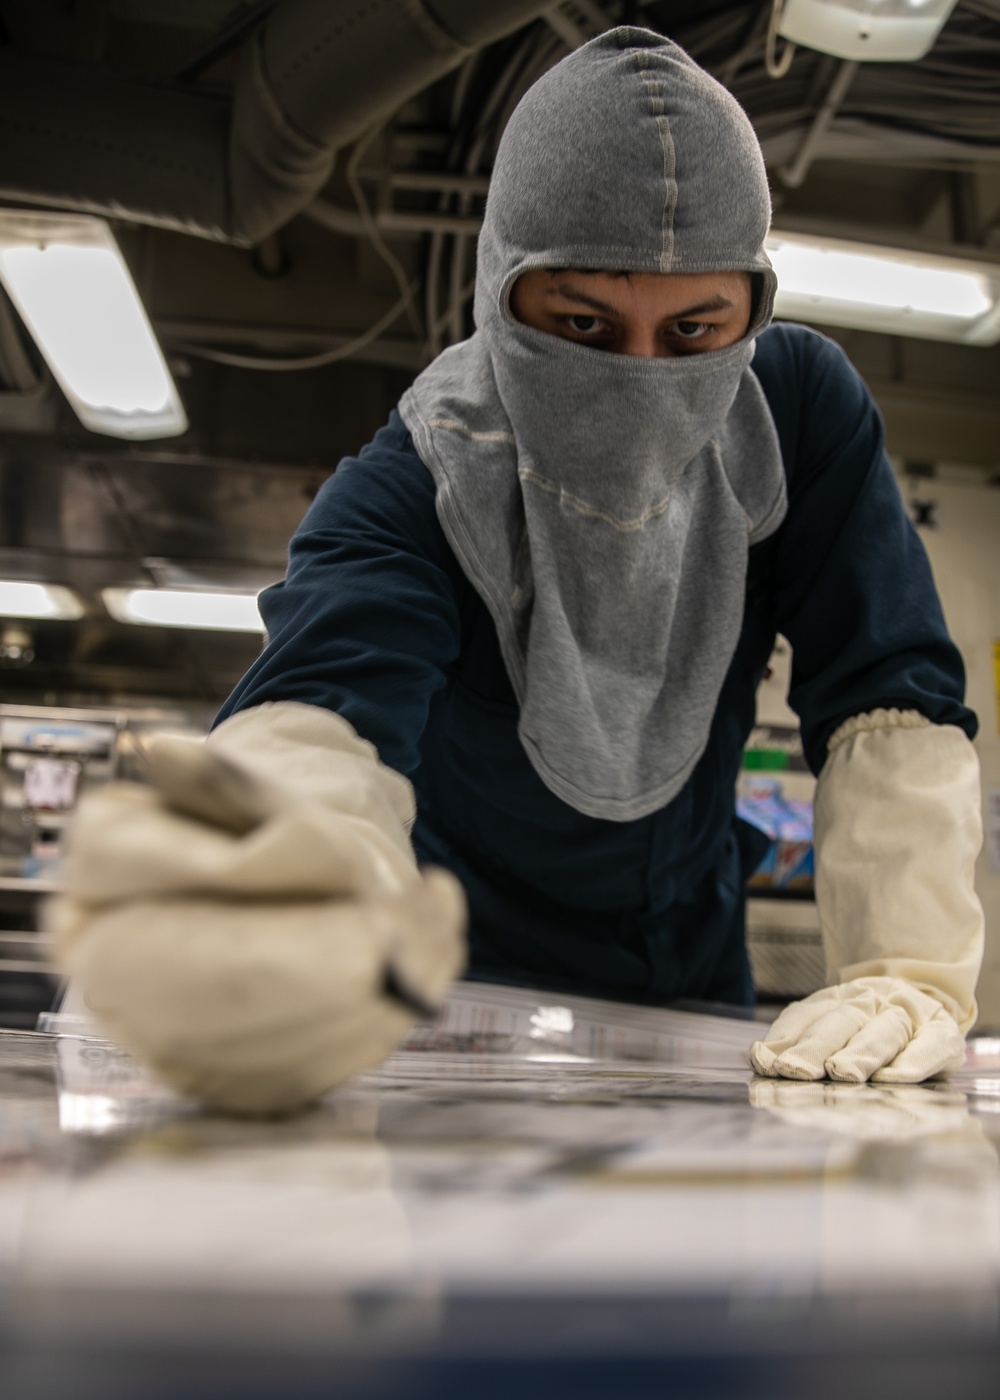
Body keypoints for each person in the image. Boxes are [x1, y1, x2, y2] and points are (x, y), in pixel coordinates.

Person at [52, 27, 984, 1114]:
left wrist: (904, 960)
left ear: (753, 308)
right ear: (502, 295)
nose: (641, 386)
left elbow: (887, 689)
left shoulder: (797, 418)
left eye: (696, 331)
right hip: (446, 997)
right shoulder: (422, 477)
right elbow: (322, 723)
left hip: (689, 982)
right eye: (582, 324)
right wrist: (285, 905)